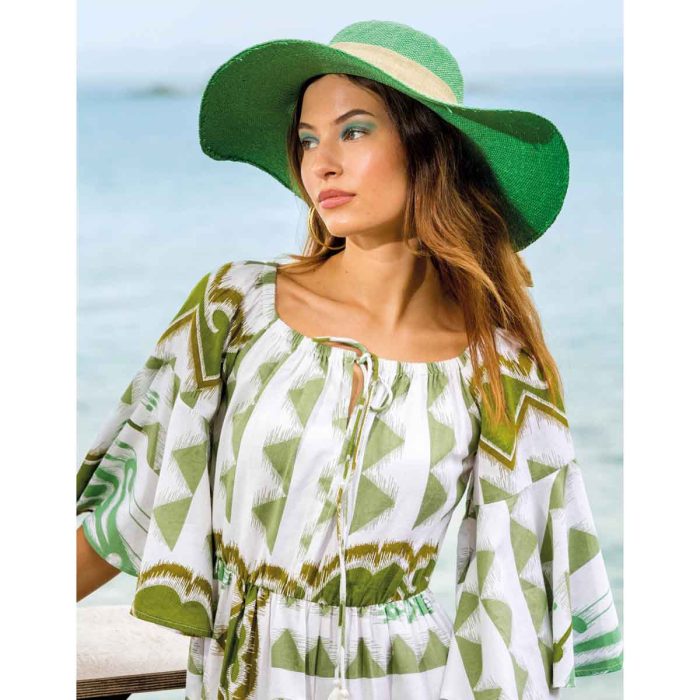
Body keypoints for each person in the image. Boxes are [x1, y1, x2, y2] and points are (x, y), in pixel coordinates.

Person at [76, 19, 623, 700]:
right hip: (247, 676)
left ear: (430, 149)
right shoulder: (235, 309)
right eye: (308, 140)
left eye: (354, 131)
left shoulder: (499, 366)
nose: (321, 163)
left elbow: (518, 595)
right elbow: (133, 505)